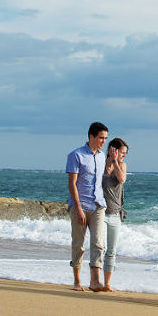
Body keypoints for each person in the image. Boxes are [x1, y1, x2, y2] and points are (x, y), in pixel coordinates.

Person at [66, 122, 109, 292]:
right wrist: (77, 207)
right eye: (100, 138)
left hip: (98, 204)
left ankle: (95, 281)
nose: (103, 141)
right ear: (91, 136)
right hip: (80, 205)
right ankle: (77, 280)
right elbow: (72, 184)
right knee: (79, 244)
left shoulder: (101, 156)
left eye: (105, 138)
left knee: (98, 243)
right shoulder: (76, 155)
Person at [102, 137, 128, 292]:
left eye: (125, 153)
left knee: (111, 250)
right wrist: (109, 161)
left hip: (115, 214)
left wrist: (115, 162)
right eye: (122, 153)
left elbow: (121, 179)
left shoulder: (122, 165)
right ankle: (96, 279)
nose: (124, 156)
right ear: (113, 149)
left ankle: (107, 283)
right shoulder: (100, 162)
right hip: (99, 213)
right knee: (100, 247)